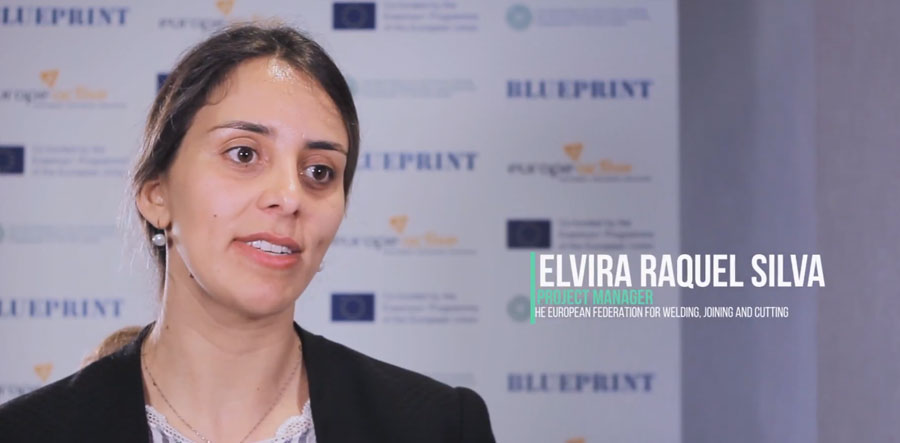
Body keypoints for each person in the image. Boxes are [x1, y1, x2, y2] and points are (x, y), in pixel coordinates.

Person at [0, 24, 495, 443]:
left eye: (320, 171)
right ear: (157, 195)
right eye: (243, 154)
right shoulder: (26, 432)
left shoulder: (438, 426)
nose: (290, 196)